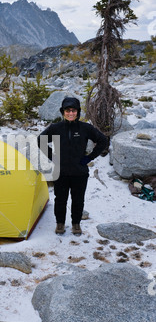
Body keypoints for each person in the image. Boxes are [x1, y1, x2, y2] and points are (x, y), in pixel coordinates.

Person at [37, 97, 107, 236]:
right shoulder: (56, 128)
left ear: (78, 112)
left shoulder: (85, 128)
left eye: (73, 110)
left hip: (79, 172)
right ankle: (60, 223)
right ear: (62, 112)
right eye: (67, 110)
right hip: (61, 172)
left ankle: (76, 224)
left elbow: (103, 141)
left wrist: (89, 157)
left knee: (78, 200)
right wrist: (52, 157)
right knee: (60, 199)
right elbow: (41, 140)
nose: (70, 113)